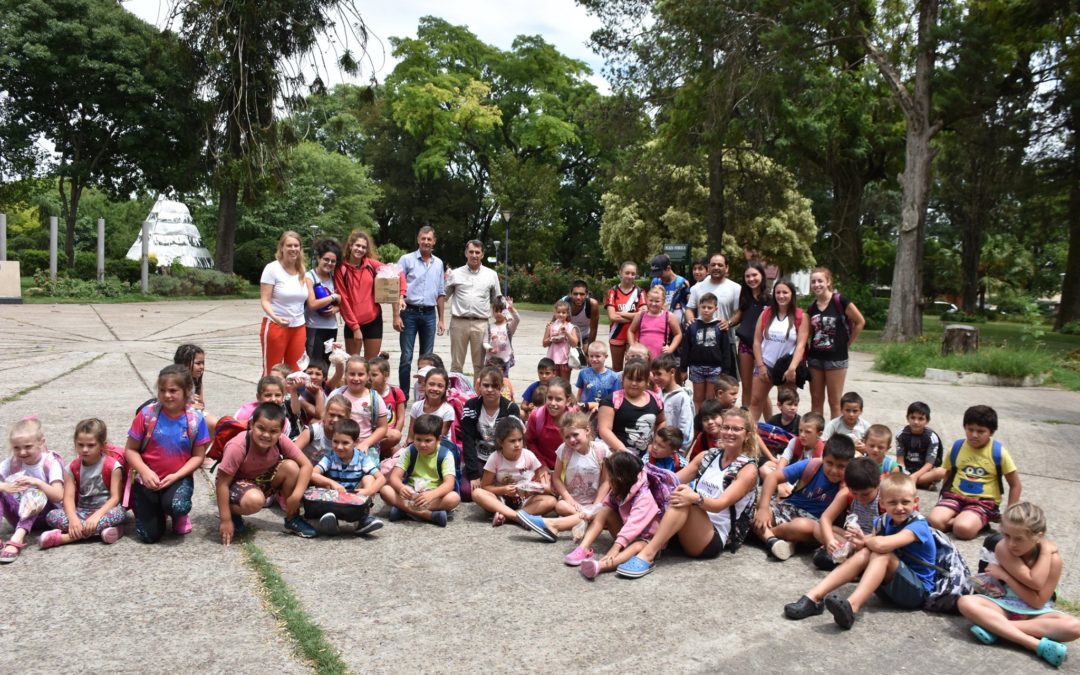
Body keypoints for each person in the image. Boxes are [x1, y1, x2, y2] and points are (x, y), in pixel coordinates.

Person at [615, 408, 760, 578]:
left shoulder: (748, 469)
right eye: (726, 427)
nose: (729, 432)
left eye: (736, 429)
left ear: (748, 435)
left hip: (712, 537)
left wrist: (695, 498)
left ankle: (648, 554)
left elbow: (720, 505)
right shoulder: (707, 456)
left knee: (685, 497)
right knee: (673, 492)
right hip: (686, 524)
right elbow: (669, 482)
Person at [783, 473, 937, 630]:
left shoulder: (919, 525)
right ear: (882, 503)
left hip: (917, 593)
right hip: (890, 587)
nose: (899, 507)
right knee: (866, 552)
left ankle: (852, 606)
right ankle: (813, 598)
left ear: (915, 502)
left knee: (880, 554)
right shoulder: (883, 521)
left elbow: (882, 545)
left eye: (905, 502)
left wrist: (864, 540)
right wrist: (859, 541)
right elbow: (871, 544)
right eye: (893, 502)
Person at [958, 502, 1080, 667]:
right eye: (1006, 535)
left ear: (1039, 536)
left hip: (1036, 614)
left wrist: (1042, 553)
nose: (1011, 543)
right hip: (1003, 606)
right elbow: (1033, 581)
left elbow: (1037, 600)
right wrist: (1006, 577)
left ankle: (996, 629)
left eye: (1019, 539)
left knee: (1074, 626)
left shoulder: (1054, 560)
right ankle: (1033, 644)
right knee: (966, 602)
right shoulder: (1003, 548)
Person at [125, 365, 210, 543]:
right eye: (162, 390)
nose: (167, 395)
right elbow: (130, 450)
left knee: (178, 505)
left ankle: (177, 514)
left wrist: (177, 476)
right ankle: (158, 510)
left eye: (173, 390)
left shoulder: (195, 420)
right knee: (148, 536)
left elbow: (198, 456)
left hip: (177, 479)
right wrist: (145, 472)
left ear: (187, 391)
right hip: (147, 480)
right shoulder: (147, 415)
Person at [215, 403, 317, 543]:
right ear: (251, 424)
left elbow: (307, 465)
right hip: (235, 484)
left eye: (273, 431)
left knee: (292, 467)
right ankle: (231, 512)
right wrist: (225, 519)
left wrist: (295, 496)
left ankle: (292, 518)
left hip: (261, 480)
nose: (266, 435)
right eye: (261, 428)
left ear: (281, 431)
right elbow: (222, 483)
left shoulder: (281, 441)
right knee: (255, 501)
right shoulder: (238, 446)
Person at [516, 413, 609, 554]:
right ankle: (587, 520)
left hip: (596, 502)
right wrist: (570, 500)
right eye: (567, 437)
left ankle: (555, 524)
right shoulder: (564, 451)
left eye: (575, 434)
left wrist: (596, 504)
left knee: (602, 511)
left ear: (588, 430)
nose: (572, 440)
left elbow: (606, 481)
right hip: (573, 503)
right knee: (559, 505)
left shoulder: (601, 450)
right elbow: (557, 478)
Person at [753, 434, 855, 560]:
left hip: (814, 523)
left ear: (849, 466)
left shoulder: (848, 484)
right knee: (752, 502)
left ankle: (765, 535)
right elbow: (772, 477)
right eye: (830, 463)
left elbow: (826, 520)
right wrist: (763, 509)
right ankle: (778, 539)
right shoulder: (811, 465)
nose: (834, 470)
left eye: (841, 466)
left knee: (800, 526)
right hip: (788, 508)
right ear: (823, 458)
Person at [929, 404, 1021, 540]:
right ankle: (964, 518)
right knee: (934, 521)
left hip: (983, 502)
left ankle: (973, 520)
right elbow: (948, 472)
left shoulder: (998, 452)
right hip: (955, 497)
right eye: (970, 429)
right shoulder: (958, 447)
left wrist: (1010, 515)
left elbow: (1015, 485)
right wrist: (945, 494)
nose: (974, 435)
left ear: (991, 432)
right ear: (964, 427)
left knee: (963, 530)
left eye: (980, 431)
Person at [569, 452, 663, 579]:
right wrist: (591, 515)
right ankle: (583, 549)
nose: (608, 480)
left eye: (610, 477)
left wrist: (616, 547)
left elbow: (633, 526)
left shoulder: (644, 497)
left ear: (620, 478)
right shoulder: (619, 489)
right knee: (604, 511)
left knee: (638, 545)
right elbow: (606, 505)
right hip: (627, 535)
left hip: (647, 539)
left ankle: (601, 565)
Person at [39, 419, 127, 549]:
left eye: (91, 445)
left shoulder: (113, 466)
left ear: (102, 445)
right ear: (75, 444)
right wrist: (73, 519)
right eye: (80, 445)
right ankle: (110, 532)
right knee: (51, 516)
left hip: (105, 511)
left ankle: (65, 538)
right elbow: (68, 498)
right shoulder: (71, 468)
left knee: (120, 513)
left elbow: (115, 498)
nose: (85, 449)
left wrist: (97, 516)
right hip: (82, 512)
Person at [471, 417, 556, 526]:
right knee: (477, 493)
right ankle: (518, 517)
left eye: (520, 440)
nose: (517, 444)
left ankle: (507, 516)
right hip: (501, 500)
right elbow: (485, 486)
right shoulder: (495, 458)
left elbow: (544, 486)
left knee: (551, 501)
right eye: (512, 441)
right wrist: (503, 490)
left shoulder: (528, 456)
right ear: (501, 442)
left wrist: (532, 488)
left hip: (525, 501)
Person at [307, 418, 385, 535]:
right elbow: (313, 473)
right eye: (335, 441)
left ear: (356, 442)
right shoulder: (330, 457)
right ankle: (330, 521)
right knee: (321, 483)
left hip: (356, 499)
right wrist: (332, 483)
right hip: (335, 497)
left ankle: (362, 520)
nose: (339, 447)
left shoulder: (361, 458)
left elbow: (381, 478)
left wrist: (368, 491)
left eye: (345, 443)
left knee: (368, 477)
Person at [0, 418, 63, 563]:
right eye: (16, 448)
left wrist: (37, 482)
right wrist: (4, 486)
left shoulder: (50, 463)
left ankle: (17, 539)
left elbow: (58, 495)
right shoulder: (11, 463)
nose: (22, 452)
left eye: (28, 446)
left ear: (41, 442)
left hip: (46, 516)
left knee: (35, 491)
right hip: (17, 515)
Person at [806, 267, 866, 418]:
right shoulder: (812, 307)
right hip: (815, 359)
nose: (816, 284)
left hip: (836, 359)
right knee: (816, 400)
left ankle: (834, 438)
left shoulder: (840, 301)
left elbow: (860, 322)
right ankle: (817, 435)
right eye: (813, 281)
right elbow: (809, 332)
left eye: (820, 281)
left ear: (828, 282)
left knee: (834, 402)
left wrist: (848, 343)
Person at [384, 413, 461, 527]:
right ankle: (428, 515)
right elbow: (395, 476)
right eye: (418, 439)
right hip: (411, 493)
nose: (422, 444)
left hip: (433, 495)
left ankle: (404, 510)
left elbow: (449, 483)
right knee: (385, 490)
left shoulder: (445, 455)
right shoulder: (410, 450)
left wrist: (432, 495)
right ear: (413, 437)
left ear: (438, 439)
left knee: (453, 498)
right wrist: (401, 487)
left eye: (428, 440)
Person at [336, 229, 402, 359]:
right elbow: (343, 300)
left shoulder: (371, 265)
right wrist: (355, 328)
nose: (360, 249)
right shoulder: (341, 268)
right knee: (354, 365)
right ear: (350, 245)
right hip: (352, 323)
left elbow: (398, 274)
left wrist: (401, 296)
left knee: (372, 365)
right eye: (357, 245)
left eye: (363, 247)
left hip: (373, 321)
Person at [750, 279, 809, 423]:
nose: (781, 296)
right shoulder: (766, 314)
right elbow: (757, 342)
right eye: (778, 292)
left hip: (786, 368)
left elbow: (801, 345)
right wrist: (761, 365)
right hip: (766, 364)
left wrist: (792, 368)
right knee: (756, 401)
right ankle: (748, 435)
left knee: (788, 406)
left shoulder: (800, 316)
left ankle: (787, 439)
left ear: (792, 294)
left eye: (785, 292)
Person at [395, 226, 446, 392]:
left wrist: (441, 319)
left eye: (429, 239)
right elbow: (395, 287)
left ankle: (424, 394)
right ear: (418, 239)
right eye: (423, 238)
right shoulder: (406, 260)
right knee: (406, 357)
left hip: (429, 314)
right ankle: (403, 395)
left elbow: (440, 292)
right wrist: (397, 314)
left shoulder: (438, 263)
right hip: (409, 312)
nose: (426, 242)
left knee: (427, 359)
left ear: (434, 241)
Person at [811, 456, 881, 571]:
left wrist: (864, 540)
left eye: (865, 494)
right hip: (851, 541)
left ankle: (851, 564)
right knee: (818, 528)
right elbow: (825, 518)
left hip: (873, 540)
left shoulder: (884, 499)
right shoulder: (846, 495)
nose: (860, 498)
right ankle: (848, 559)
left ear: (877, 486)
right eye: (855, 493)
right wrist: (830, 540)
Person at [460, 367, 522, 490]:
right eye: (486, 385)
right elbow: (468, 441)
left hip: (503, 459)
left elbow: (514, 441)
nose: (490, 390)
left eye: (494, 386)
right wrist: (473, 475)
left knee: (504, 487)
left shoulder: (511, 409)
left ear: (501, 387)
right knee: (467, 491)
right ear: (479, 385)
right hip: (479, 458)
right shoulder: (471, 406)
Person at [446, 239, 502, 375]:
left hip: (481, 324)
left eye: (477, 252)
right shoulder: (455, 274)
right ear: (466, 253)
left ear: (482, 254)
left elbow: (498, 300)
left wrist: (503, 322)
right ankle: (456, 394)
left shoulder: (491, 275)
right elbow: (444, 296)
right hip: (459, 322)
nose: (474, 255)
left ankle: (479, 395)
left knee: (480, 365)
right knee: (456, 365)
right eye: (471, 252)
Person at [259, 231, 309, 375]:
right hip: (276, 325)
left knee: (295, 371)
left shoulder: (301, 270)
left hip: (298, 326)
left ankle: (290, 398)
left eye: (296, 245)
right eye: (289, 245)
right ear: (281, 248)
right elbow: (265, 300)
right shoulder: (272, 269)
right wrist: (276, 318)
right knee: (272, 371)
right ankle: (268, 397)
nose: (293, 249)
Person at [597, 360, 666, 456]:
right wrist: (621, 449)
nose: (634, 383)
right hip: (615, 455)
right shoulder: (612, 401)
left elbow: (661, 421)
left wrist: (655, 442)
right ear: (623, 379)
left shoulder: (656, 400)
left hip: (644, 457)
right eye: (630, 378)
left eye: (639, 380)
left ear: (647, 382)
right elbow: (604, 429)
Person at [329, 356, 389, 463]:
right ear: (345, 375)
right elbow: (325, 418)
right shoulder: (336, 394)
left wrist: (366, 443)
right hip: (339, 445)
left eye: (360, 374)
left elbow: (382, 427)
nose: (356, 378)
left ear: (368, 376)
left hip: (365, 447)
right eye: (352, 374)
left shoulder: (375, 399)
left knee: (368, 478)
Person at [681, 292, 735, 410]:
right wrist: (683, 368)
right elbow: (686, 348)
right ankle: (698, 422)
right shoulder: (692, 326)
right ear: (699, 307)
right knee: (698, 398)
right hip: (696, 367)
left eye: (709, 308)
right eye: (703, 307)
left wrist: (725, 370)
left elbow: (726, 350)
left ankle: (709, 420)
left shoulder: (720, 327)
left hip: (714, 369)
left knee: (710, 399)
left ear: (715, 309)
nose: (706, 310)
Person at [735, 260, 769, 410]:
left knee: (762, 389)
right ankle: (744, 421)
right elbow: (739, 315)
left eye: (754, 275)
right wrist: (728, 323)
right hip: (745, 346)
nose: (751, 279)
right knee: (747, 387)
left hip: (764, 347)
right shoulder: (745, 296)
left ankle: (770, 424)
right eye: (747, 276)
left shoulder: (770, 298)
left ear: (762, 275)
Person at [759, 412, 827, 486]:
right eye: (800, 430)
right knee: (763, 469)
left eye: (807, 432)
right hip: (790, 477)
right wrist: (781, 483)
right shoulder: (794, 442)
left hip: (808, 483)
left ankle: (783, 491)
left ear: (819, 434)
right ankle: (782, 489)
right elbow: (782, 463)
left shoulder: (824, 451)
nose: (802, 435)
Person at [684, 253, 741, 339]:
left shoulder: (735, 288)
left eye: (720, 265)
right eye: (713, 265)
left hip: (726, 340)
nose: (716, 267)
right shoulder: (697, 287)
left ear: (726, 268)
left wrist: (729, 323)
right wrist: (691, 322)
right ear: (709, 267)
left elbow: (739, 312)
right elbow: (689, 309)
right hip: (700, 339)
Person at [304, 238, 342, 361]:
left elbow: (344, 301)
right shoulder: (309, 277)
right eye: (326, 259)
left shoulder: (335, 278)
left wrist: (336, 309)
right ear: (318, 258)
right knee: (313, 366)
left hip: (331, 328)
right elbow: (312, 304)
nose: (329, 263)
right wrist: (333, 297)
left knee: (326, 364)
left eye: (333, 261)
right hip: (313, 327)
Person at [525, 377, 576, 470]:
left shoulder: (575, 418)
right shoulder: (536, 416)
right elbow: (530, 442)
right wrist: (541, 465)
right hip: (543, 467)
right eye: (549, 398)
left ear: (568, 401)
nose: (553, 403)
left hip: (569, 467)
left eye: (558, 399)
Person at [605, 261, 645, 372]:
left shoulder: (640, 292)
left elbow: (643, 315)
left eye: (633, 274)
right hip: (616, 333)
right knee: (617, 369)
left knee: (632, 368)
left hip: (634, 334)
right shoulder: (612, 292)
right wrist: (634, 316)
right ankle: (618, 390)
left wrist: (621, 313)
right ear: (620, 273)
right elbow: (612, 317)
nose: (630, 276)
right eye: (627, 273)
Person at [895, 401, 946, 488]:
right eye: (913, 417)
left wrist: (915, 476)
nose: (916, 422)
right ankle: (921, 483)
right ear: (907, 418)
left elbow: (929, 464)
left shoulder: (932, 437)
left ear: (927, 421)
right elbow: (900, 461)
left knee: (941, 472)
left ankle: (910, 482)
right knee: (892, 468)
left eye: (921, 419)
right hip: (907, 470)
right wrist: (905, 473)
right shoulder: (901, 435)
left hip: (924, 471)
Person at [651, 354, 693, 456]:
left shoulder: (682, 397)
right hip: (656, 449)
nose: (655, 378)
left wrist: (679, 451)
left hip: (673, 452)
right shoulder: (657, 394)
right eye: (653, 374)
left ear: (672, 372)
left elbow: (686, 428)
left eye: (659, 374)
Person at [294, 393, 352, 464]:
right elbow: (292, 453)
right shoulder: (313, 432)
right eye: (332, 415)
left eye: (340, 417)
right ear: (325, 414)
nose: (335, 420)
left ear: (348, 419)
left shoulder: (349, 437)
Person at [628, 286, 682, 361]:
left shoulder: (669, 316)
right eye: (651, 300)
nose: (653, 304)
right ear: (647, 300)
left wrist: (670, 349)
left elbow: (678, 334)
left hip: (661, 356)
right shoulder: (640, 315)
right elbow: (631, 331)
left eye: (657, 301)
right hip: (642, 356)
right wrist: (633, 346)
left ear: (663, 302)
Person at [406, 367, 456, 443]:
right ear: (425, 385)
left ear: (446, 388)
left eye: (440, 386)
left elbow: (439, 440)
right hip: (417, 446)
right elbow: (410, 437)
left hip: (439, 448)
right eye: (431, 384)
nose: (435, 388)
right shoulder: (416, 407)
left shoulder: (447, 410)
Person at [369, 357, 407, 459]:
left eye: (374, 375)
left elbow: (401, 418)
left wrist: (395, 437)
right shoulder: (366, 393)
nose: (370, 378)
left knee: (399, 456)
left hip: (389, 435)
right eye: (368, 375)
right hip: (372, 434)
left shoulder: (396, 392)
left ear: (386, 375)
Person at [576, 341, 620, 414]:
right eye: (591, 356)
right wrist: (577, 404)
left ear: (605, 357)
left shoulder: (613, 376)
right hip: (585, 410)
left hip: (603, 410)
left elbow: (614, 397)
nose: (594, 359)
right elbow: (580, 391)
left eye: (597, 356)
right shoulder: (583, 373)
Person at [483, 295, 520, 377]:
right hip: (491, 361)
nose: (498, 313)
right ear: (493, 311)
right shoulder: (489, 327)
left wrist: (511, 309)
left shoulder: (509, 327)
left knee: (504, 381)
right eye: (496, 311)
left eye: (501, 311)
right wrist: (489, 348)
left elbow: (517, 319)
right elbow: (485, 342)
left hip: (504, 360)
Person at [543, 299, 580, 380]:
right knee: (553, 383)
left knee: (565, 384)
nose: (561, 314)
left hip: (565, 360)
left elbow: (575, 343)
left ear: (567, 314)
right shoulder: (550, 326)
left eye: (563, 312)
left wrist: (566, 333)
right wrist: (551, 338)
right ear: (555, 312)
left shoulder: (570, 326)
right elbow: (544, 344)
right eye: (558, 312)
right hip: (552, 359)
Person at [649, 254, 691, 324]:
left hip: (677, 324)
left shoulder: (682, 283)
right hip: (659, 322)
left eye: (660, 273)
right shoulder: (655, 282)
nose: (659, 276)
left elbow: (689, 305)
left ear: (668, 268)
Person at [563, 280, 601, 349]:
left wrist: (589, 349)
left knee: (587, 356)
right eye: (575, 294)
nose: (578, 297)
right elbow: (554, 323)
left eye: (582, 294)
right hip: (568, 336)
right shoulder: (564, 303)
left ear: (587, 294)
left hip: (584, 337)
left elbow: (593, 329)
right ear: (570, 294)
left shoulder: (592, 304)